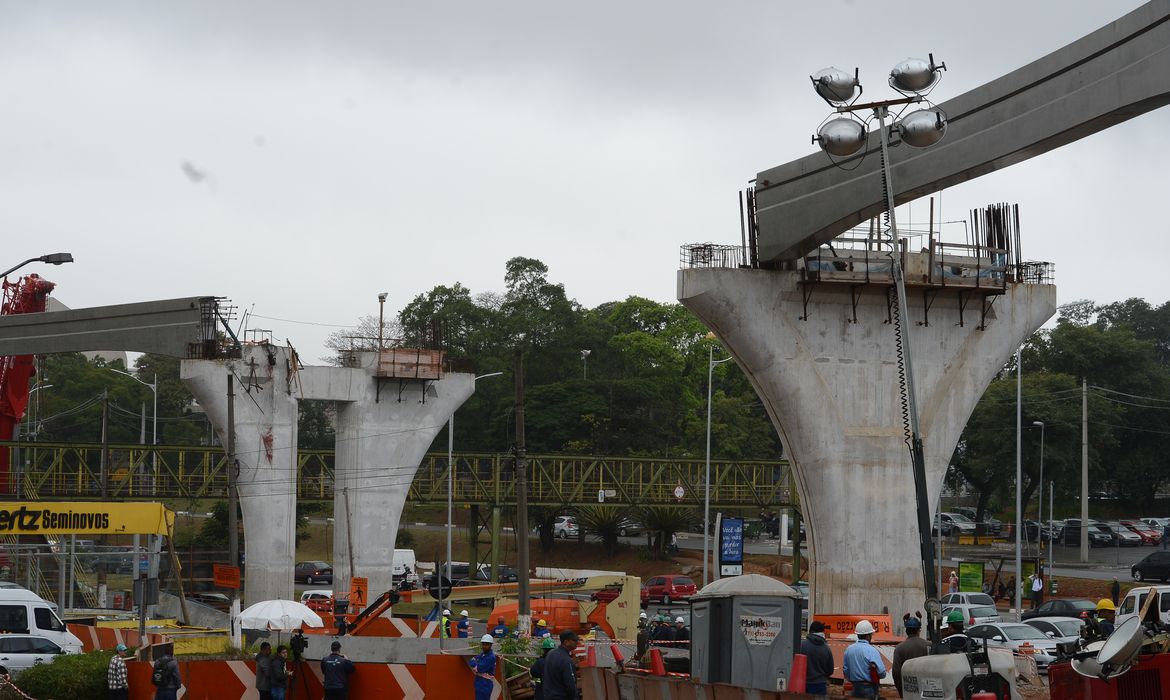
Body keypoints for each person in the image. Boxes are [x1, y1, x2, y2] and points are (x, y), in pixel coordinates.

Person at [842, 620, 886, 699]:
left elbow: (846, 670)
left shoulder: (849, 650)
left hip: (855, 688)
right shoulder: (872, 650)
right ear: (869, 636)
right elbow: (882, 672)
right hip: (869, 688)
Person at [892, 614, 930, 697]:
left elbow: (896, 673)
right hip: (926, 689)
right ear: (919, 630)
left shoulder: (899, 648)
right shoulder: (929, 645)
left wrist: (901, 692)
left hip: (908, 690)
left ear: (906, 631)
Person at [799, 620, 834, 697]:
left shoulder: (801, 645)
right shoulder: (826, 648)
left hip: (804, 684)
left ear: (811, 631)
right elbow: (830, 670)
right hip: (821, 685)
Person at [542, 630, 579, 700]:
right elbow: (571, 686)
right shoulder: (566, 660)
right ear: (566, 642)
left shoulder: (550, 653)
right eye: (574, 640)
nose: (577, 642)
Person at [468, 634, 498, 700]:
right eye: (483, 644)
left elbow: (479, 668)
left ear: (491, 645)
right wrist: (475, 664)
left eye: (486, 645)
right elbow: (471, 661)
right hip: (479, 682)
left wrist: (475, 664)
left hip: (485, 684)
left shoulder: (490, 657)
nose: (484, 646)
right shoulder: (483, 654)